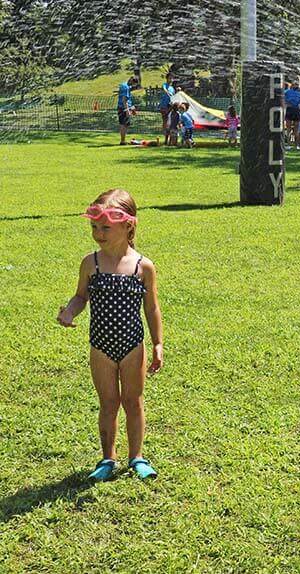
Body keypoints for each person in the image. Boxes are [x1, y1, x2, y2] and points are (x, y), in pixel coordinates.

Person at [57, 189, 163, 481]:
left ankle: (137, 457)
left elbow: (152, 308)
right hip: (101, 347)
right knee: (108, 403)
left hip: (133, 346)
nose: (98, 233)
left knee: (133, 401)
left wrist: (157, 343)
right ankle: (107, 459)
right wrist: (69, 311)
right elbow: (81, 297)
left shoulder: (143, 267)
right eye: (94, 227)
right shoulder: (90, 263)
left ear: (128, 225)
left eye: (105, 227)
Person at [117, 76, 139, 145]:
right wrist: (127, 111)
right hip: (123, 108)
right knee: (124, 124)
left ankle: (123, 140)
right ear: (132, 81)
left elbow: (128, 99)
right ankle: (122, 141)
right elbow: (124, 100)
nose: (133, 86)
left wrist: (132, 108)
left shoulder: (124, 85)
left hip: (123, 107)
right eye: (134, 84)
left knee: (125, 124)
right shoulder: (126, 87)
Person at [158, 72, 176, 138]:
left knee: (170, 120)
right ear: (167, 78)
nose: (171, 80)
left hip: (170, 106)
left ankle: (168, 134)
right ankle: (165, 134)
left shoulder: (172, 88)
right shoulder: (164, 85)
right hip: (164, 106)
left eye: (172, 78)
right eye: (170, 78)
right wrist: (168, 93)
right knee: (165, 119)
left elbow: (174, 96)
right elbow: (164, 89)